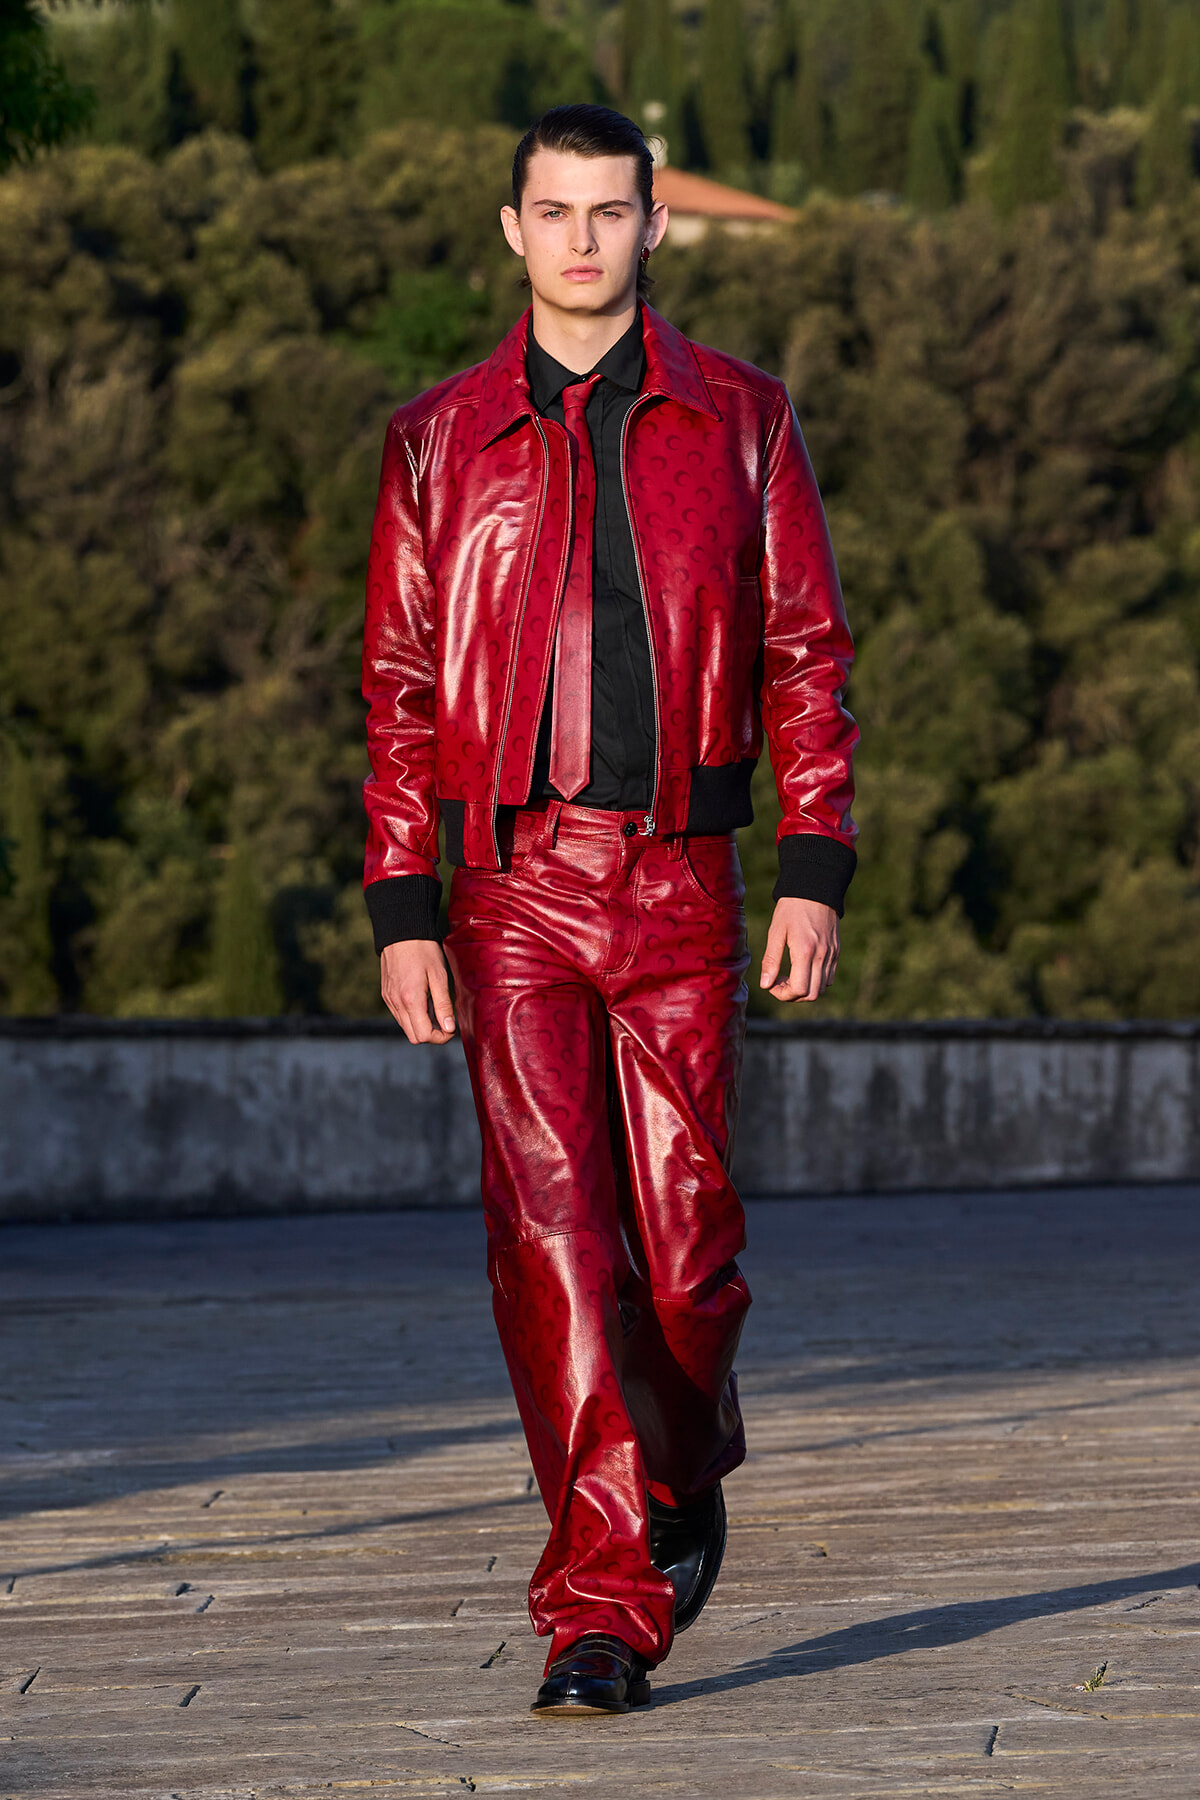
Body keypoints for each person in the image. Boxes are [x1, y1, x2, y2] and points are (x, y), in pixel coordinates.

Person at [361, 104, 857, 1718]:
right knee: (557, 1247)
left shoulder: (743, 418)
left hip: (682, 883)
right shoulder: (438, 439)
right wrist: (402, 900)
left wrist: (815, 860)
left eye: (610, 211)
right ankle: (598, 1606)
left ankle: (680, 1460)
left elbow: (805, 652)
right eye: (554, 212)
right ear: (513, 229)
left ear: (653, 227)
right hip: (509, 890)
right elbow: (400, 682)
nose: (582, 240)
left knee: (690, 1260)